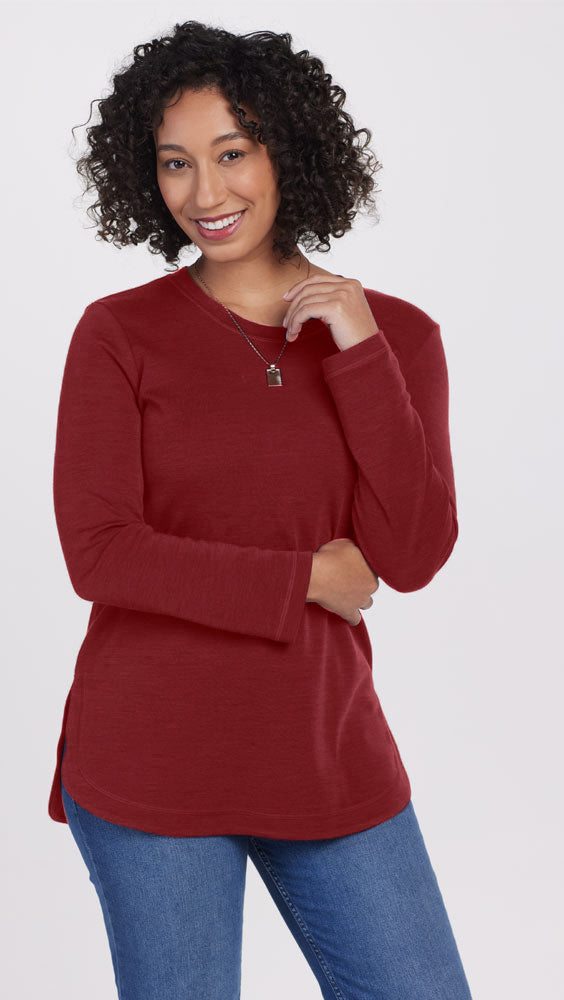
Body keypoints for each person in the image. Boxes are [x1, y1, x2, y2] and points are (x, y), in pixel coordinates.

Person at [48, 20, 473, 1000]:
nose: (206, 194)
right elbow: (102, 553)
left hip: (325, 752)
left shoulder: (397, 338)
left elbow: (408, 555)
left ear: (287, 144)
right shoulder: (118, 336)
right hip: (150, 762)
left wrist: (359, 350)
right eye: (175, 164)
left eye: (231, 153)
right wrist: (305, 580)